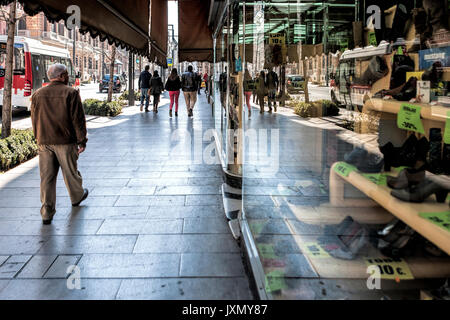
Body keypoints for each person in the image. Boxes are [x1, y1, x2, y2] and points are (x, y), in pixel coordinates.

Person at [30, 63, 89, 225]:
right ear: (62, 76)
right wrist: (81, 140)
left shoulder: (38, 94)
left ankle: (46, 212)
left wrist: (38, 137)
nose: (68, 77)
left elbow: (34, 119)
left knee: (47, 178)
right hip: (65, 140)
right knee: (70, 171)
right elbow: (78, 119)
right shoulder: (70, 93)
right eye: (67, 74)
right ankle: (76, 196)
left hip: (44, 141)